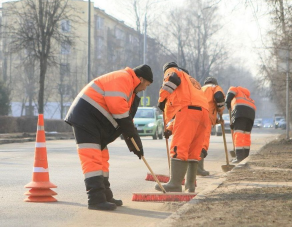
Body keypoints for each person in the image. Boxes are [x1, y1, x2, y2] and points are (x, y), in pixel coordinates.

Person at [64, 64, 153, 211]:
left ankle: (105, 195)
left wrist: (133, 143)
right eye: (146, 85)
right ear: (141, 79)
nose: (144, 89)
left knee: (102, 158)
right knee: (92, 158)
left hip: (95, 122)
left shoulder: (128, 86)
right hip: (86, 119)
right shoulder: (123, 78)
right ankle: (95, 199)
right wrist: (133, 137)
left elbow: (125, 117)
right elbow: (119, 110)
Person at [155, 62, 210, 193]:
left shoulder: (172, 70)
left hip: (188, 111)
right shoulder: (192, 81)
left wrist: (162, 100)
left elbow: (173, 79)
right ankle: (190, 186)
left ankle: (175, 184)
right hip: (203, 113)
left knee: (179, 146)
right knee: (193, 150)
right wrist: (170, 128)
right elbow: (186, 112)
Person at [200, 77, 225, 176]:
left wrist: (217, 120)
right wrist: (221, 111)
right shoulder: (215, 87)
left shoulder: (201, 89)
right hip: (206, 117)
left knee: (197, 141)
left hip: (196, 116)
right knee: (203, 143)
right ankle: (199, 169)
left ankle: (195, 169)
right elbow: (219, 97)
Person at [225, 86, 256, 163]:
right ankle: (245, 157)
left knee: (238, 134)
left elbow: (228, 98)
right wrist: (233, 122)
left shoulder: (235, 88)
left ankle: (239, 157)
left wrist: (227, 103)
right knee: (246, 135)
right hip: (251, 116)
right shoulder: (249, 99)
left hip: (241, 114)